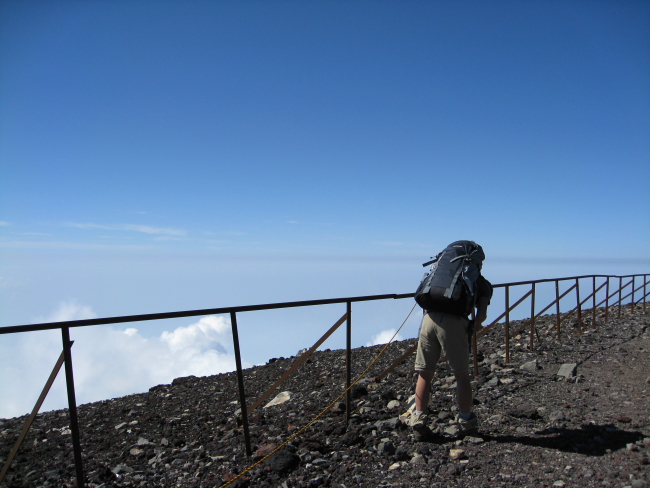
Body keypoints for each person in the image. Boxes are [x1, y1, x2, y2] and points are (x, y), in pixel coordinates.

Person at [409, 263, 492, 439]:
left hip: (429, 320)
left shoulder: (440, 274)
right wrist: (474, 325)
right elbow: (481, 316)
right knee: (461, 375)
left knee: (424, 374)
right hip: (453, 324)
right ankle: (466, 422)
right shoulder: (480, 282)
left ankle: (418, 420)